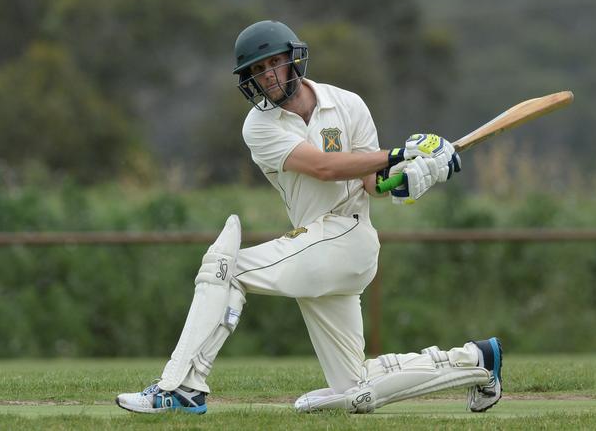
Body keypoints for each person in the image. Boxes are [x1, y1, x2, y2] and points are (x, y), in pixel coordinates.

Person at [116, 20, 503, 414]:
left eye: (273, 64)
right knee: (356, 389)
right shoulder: (259, 126)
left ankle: (181, 387)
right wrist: (402, 154)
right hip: (314, 246)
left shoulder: (348, 104)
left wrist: (413, 177)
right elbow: (324, 167)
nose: (266, 77)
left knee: (226, 269)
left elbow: (372, 182)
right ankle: (476, 361)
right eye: (256, 71)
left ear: (292, 59)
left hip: (348, 236)